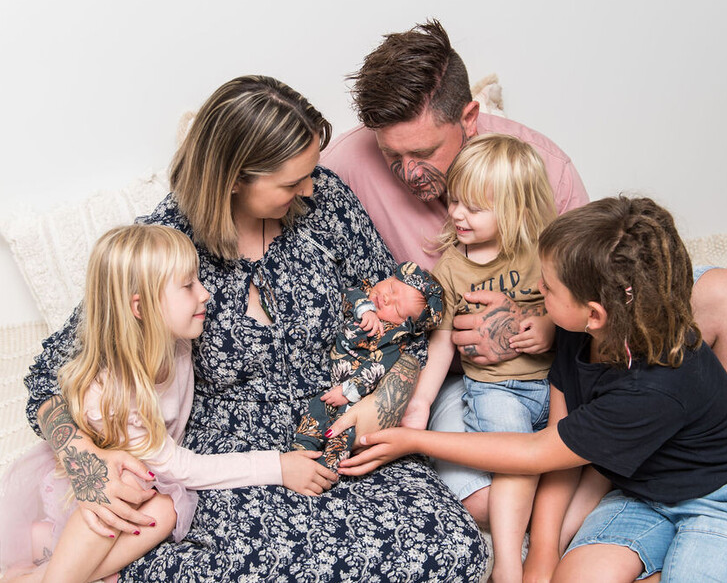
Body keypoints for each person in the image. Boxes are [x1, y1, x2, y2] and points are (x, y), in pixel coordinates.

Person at [22, 75, 487, 581]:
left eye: (311, 173)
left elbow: (409, 320)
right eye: (292, 182)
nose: (310, 188)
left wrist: (386, 402)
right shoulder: (166, 249)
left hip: (336, 438)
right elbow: (52, 374)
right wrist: (86, 460)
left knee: (453, 548)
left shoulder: (326, 204)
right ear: (234, 178)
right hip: (226, 464)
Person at [322, 18, 727, 529]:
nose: (409, 174)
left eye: (425, 154)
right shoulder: (340, 168)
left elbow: (588, 285)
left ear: (469, 117)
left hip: (562, 349)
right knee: (486, 507)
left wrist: (538, 326)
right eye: (393, 156)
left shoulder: (544, 164)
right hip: (460, 375)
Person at [339, 196, 727, 582]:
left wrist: (412, 439)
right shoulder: (578, 333)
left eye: (547, 287)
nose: (534, 291)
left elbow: (537, 451)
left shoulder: (656, 388)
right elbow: (564, 445)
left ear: (594, 313)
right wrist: (544, 553)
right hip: (644, 494)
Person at [2, 224, 337, 582]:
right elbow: (183, 468)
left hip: (149, 481)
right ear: (141, 307)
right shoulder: (113, 393)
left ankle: (44, 569)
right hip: (95, 491)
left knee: (168, 510)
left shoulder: (175, 342)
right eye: (189, 285)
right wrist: (278, 467)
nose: (206, 293)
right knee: (131, 484)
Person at [405, 133, 556, 582]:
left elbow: (575, 310)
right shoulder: (452, 266)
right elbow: (443, 342)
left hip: (556, 384)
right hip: (495, 389)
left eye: (473, 207)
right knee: (516, 457)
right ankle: (508, 565)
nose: (455, 214)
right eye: (455, 202)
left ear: (518, 211)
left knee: (589, 450)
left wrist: (547, 327)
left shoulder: (546, 252)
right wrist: (421, 402)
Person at [293, 261, 443, 471]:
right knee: (316, 411)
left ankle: (328, 467)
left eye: (397, 308)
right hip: (329, 381)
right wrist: (365, 309)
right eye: (391, 288)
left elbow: (377, 367)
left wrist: (349, 391)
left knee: (345, 429)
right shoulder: (363, 296)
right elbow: (345, 294)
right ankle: (301, 452)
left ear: (404, 324)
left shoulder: (393, 337)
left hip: (355, 393)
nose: (386, 298)